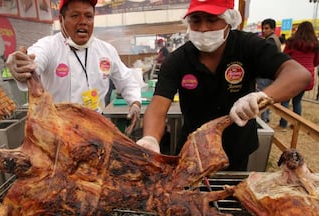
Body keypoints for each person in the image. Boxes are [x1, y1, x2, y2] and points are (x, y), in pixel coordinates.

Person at [136, 0, 310, 171]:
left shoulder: (247, 46)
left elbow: (298, 74)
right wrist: (150, 139)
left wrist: (261, 96)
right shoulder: (177, 60)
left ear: (229, 20)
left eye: (212, 19)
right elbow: (158, 108)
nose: (203, 28)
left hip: (238, 147)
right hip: (193, 150)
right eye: (196, 20)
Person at [6, 0, 141, 126]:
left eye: (88, 16)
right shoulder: (49, 46)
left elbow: (126, 79)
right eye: (75, 15)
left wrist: (135, 103)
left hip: (95, 127)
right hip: (57, 128)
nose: (83, 22)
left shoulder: (106, 50)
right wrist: (21, 64)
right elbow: (34, 61)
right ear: (61, 20)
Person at [279, 21, 319, 128]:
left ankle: (283, 124)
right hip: (307, 76)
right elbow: (316, 61)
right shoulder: (315, 44)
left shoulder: (292, 42)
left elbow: (285, 56)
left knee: (285, 100)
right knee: (297, 101)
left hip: (293, 74)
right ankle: (296, 125)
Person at [256, 18, 282, 123]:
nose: (264, 30)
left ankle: (264, 119)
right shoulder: (274, 39)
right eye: (263, 28)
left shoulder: (271, 41)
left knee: (263, 96)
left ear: (273, 29)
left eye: (266, 28)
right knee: (266, 96)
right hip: (269, 73)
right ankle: (265, 117)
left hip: (266, 73)